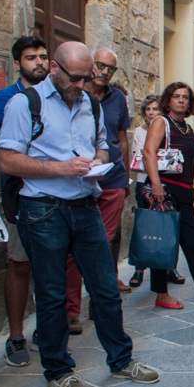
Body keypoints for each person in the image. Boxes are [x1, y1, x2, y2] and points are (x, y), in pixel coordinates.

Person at [0, 42, 159, 387]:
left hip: (85, 203)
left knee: (104, 287)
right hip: (43, 209)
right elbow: (8, 160)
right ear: (54, 68)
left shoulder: (91, 104)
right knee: (53, 294)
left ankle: (121, 360)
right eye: (76, 77)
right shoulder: (24, 104)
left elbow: (103, 145)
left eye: (88, 77)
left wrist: (96, 161)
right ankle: (58, 369)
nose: (83, 84)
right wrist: (62, 167)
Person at [65, 46, 131, 334]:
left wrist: (126, 175)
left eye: (111, 68)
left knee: (103, 244)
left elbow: (121, 139)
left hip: (113, 179)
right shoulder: (74, 95)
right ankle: (70, 310)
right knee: (74, 249)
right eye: (101, 65)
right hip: (79, 182)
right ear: (91, 65)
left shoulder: (118, 99)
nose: (105, 72)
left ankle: (98, 303)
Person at [0, 35, 49, 367]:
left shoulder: (56, 97)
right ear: (18, 63)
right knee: (19, 263)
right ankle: (16, 336)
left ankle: (47, 328)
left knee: (49, 266)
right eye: (31, 57)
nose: (38, 62)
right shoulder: (7, 98)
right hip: (18, 194)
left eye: (43, 56)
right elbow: (20, 144)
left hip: (52, 195)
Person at [143, 82, 194, 309]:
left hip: (183, 192)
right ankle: (162, 293)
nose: (181, 100)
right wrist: (156, 185)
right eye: (177, 96)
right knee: (163, 244)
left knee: (191, 240)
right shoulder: (161, 122)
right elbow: (149, 152)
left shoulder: (187, 129)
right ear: (168, 100)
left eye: (186, 97)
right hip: (164, 191)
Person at [128, 94, 162, 288]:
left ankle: (166, 267)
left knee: (164, 225)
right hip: (143, 182)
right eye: (148, 109)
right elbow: (139, 158)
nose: (151, 113)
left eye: (155, 109)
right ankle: (139, 269)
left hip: (164, 183)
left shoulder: (166, 128)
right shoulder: (140, 132)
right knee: (142, 227)